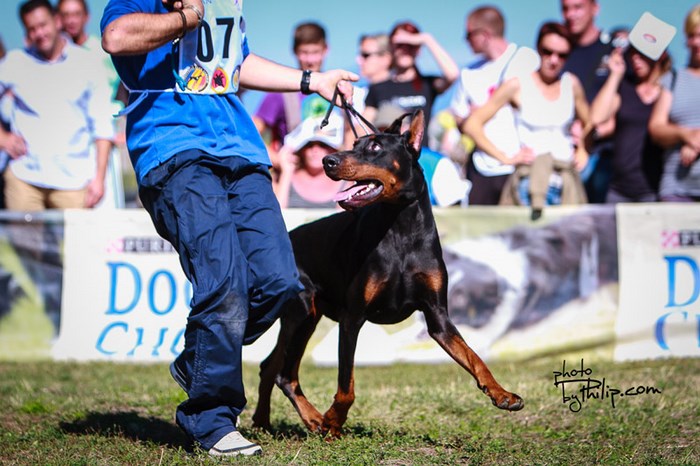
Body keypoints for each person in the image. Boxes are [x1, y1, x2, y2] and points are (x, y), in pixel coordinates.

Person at [100, 0, 357, 457]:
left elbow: (236, 62)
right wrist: (185, 18)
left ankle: (198, 362)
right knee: (223, 283)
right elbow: (116, 37)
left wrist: (312, 80)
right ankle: (211, 418)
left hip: (241, 150)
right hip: (174, 149)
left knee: (281, 281)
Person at [465, 22, 591, 218]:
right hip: (528, 182)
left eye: (562, 55)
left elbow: (589, 121)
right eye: (547, 52)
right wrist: (506, 158)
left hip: (566, 181)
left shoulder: (571, 84)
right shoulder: (517, 84)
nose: (554, 60)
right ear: (538, 49)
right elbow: (472, 125)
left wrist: (583, 148)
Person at [0, 0, 114, 211]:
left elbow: (102, 125)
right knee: (21, 234)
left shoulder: (87, 63)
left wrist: (100, 178)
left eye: (43, 25)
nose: (39, 33)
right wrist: (3, 138)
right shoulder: (15, 63)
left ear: (57, 21)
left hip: (73, 181)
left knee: (77, 233)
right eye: (32, 29)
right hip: (24, 178)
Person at [451, 5, 539, 205]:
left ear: (484, 34)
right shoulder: (469, 73)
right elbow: (459, 119)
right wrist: (470, 119)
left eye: (469, 34)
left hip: (521, 165)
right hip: (482, 167)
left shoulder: (526, 59)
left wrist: (484, 110)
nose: (465, 40)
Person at [590, 14, 674, 203]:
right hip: (618, 189)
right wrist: (615, 75)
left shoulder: (670, 88)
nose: (636, 58)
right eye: (633, 52)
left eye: (644, 53)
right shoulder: (625, 87)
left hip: (654, 190)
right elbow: (596, 117)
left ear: (661, 55)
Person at [56, 0, 126, 209]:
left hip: (103, 139)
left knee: (105, 206)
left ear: (86, 17)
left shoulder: (102, 50)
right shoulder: (53, 55)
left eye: (76, 14)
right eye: (65, 15)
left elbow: (125, 85)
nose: (71, 20)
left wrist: (123, 126)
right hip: (69, 143)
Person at [253, 22, 333, 175]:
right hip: (293, 178)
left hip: (332, 178)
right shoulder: (280, 92)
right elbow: (251, 132)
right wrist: (278, 160)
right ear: (295, 51)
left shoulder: (337, 89)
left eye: (315, 52)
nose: (310, 59)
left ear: (326, 50)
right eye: (304, 52)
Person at [363, 20, 459, 144]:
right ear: (391, 47)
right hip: (389, 153)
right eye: (399, 45)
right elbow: (363, 126)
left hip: (421, 153)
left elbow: (453, 74)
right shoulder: (378, 87)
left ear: (418, 49)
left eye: (410, 45)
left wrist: (426, 39)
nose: (405, 50)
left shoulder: (427, 84)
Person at [560, 0, 614, 203]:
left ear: (595, 8)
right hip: (565, 155)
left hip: (604, 157)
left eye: (578, 7)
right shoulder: (558, 51)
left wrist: (594, 131)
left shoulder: (612, 49)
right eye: (565, 8)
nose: (570, 14)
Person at [648, 4, 700, 202]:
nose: (696, 42)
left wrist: (696, 142)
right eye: (691, 36)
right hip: (677, 189)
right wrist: (685, 134)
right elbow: (656, 127)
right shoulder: (673, 79)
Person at [275, 113, 345, 209]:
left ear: (334, 150)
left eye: (322, 145)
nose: (315, 150)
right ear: (302, 150)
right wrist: (286, 172)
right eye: (309, 145)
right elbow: (276, 213)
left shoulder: (344, 182)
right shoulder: (286, 178)